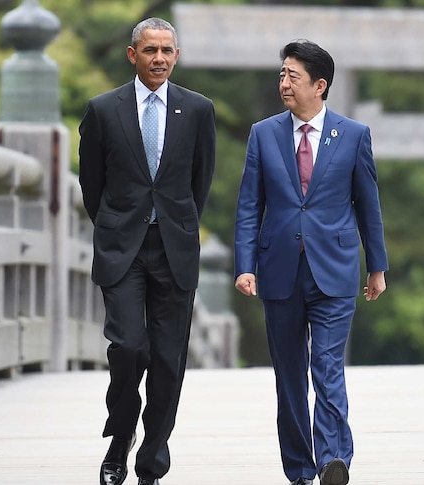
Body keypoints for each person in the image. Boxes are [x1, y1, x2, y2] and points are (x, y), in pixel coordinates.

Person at [234, 39, 388, 485]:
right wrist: (245, 265)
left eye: (292, 76)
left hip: (335, 271)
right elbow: (249, 205)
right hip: (279, 270)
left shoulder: (353, 135)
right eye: (281, 74)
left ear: (319, 85)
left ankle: (334, 459)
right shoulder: (263, 134)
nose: (283, 82)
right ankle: (300, 469)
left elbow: (368, 205)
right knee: (289, 377)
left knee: (327, 366)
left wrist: (376, 267)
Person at [78, 17, 216, 485]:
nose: (159, 58)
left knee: (167, 361)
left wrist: (175, 224)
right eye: (150, 50)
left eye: (167, 51)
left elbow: (200, 183)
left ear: (176, 56)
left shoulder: (198, 110)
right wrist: (119, 225)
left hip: (174, 247)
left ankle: (151, 461)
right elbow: (91, 184)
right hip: (123, 248)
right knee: (128, 347)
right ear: (132, 55)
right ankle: (120, 438)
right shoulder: (102, 110)